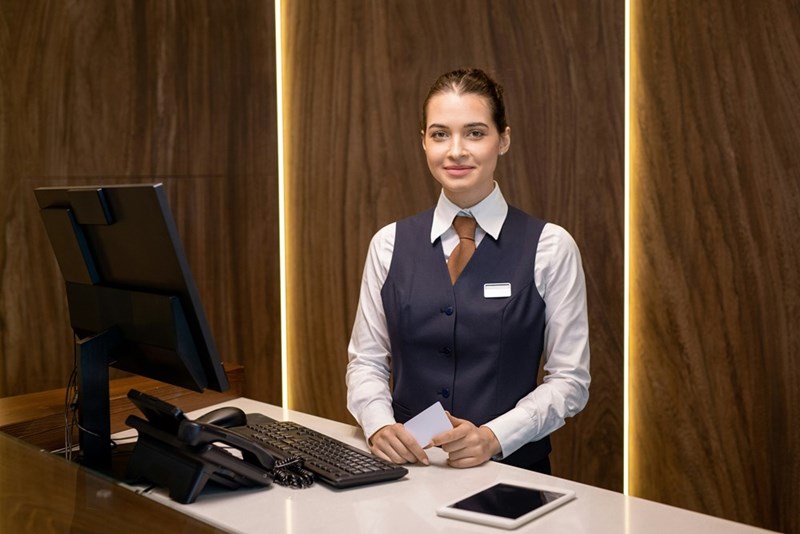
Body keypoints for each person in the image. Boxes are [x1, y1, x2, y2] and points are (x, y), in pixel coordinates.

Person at [345, 68, 590, 474]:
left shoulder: (551, 246)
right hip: (407, 471)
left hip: (510, 472)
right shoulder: (387, 244)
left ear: (503, 139)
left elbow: (570, 380)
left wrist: (494, 437)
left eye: (475, 133)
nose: (455, 150)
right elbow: (366, 361)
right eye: (440, 134)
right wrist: (378, 425)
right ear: (423, 141)